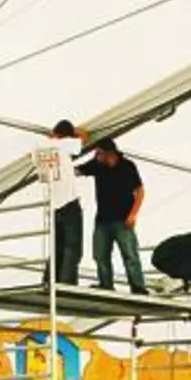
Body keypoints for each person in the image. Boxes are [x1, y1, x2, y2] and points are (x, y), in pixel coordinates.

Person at [76, 138, 147, 294]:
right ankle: (106, 284)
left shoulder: (127, 166)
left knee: (130, 254)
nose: (96, 156)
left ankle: (138, 287)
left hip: (123, 219)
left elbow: (140, 191)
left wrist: (133, 214)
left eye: (99, 153)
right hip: (102, 220)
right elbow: (76, 171)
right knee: (100, 255)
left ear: (109, 153)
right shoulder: (97, 165)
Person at [38, 120, 89, 285]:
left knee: (57, 248)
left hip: (54, 205)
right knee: (72, 249)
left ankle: (49, 280)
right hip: (69, 203)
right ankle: (66, 284)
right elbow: (84, 135)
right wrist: (72, 134)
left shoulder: (42, 149)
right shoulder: (64, 145)